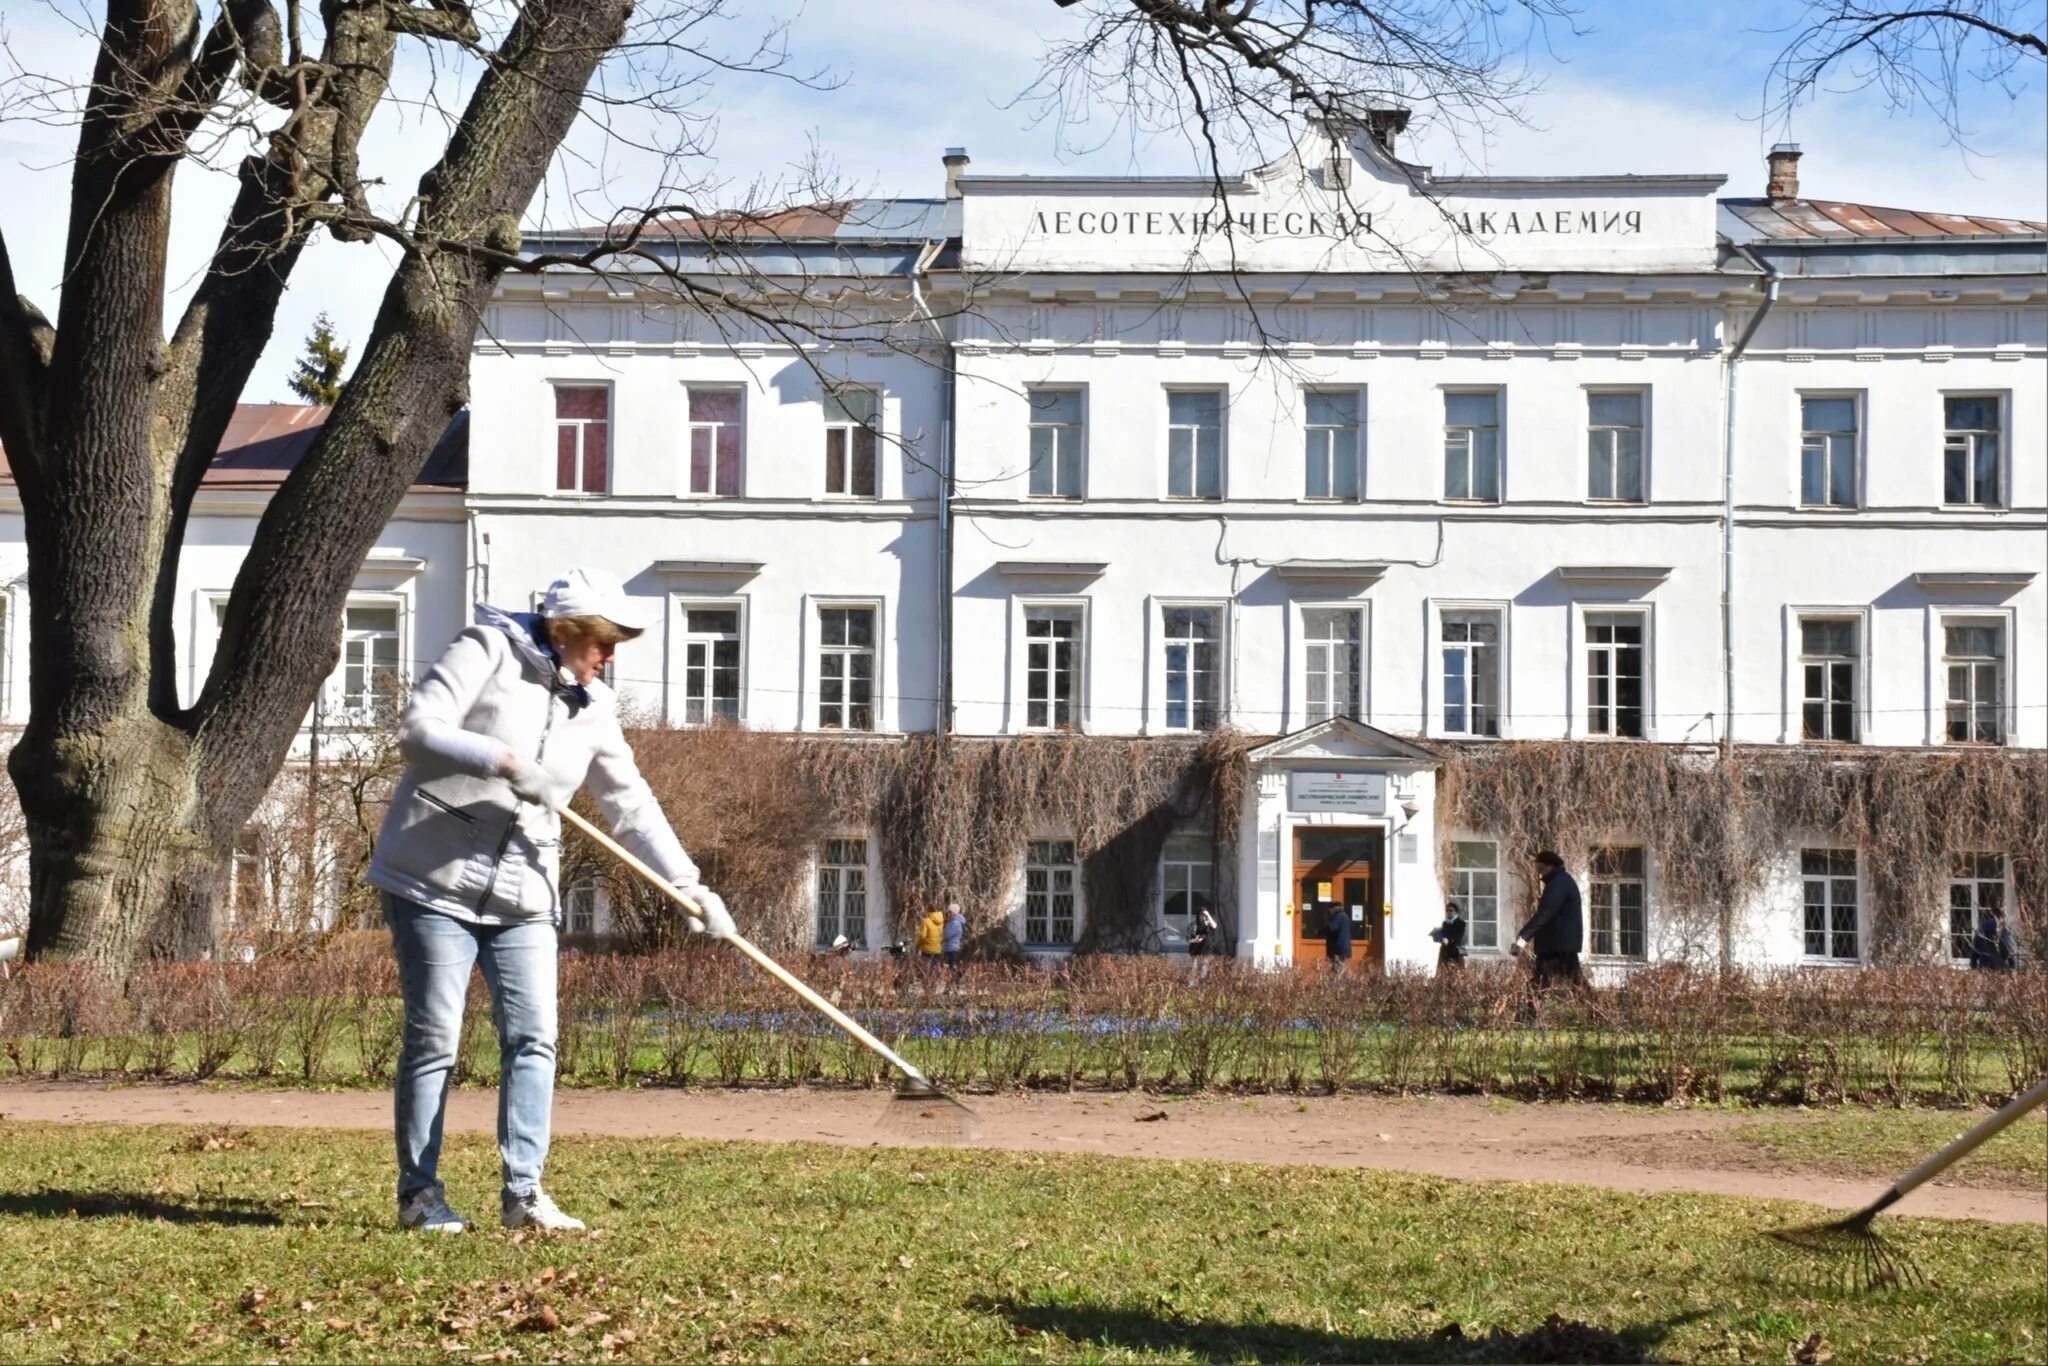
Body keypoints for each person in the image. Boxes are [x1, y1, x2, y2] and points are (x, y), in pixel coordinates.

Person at [368, 568, 734, 1236]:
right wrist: (503, 762)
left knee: (535, 1037)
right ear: (566, 631)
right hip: (431, 884)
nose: (611, 656)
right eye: (604, 642)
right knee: (434, 1040)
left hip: (523, 894)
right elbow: (418, 732)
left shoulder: (594, 708)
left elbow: (632, 807)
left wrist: (689, 885)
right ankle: (419, 1196)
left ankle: (525, 1195)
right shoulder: (486, 649)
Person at [1514, 850, 1583, 988]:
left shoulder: (1557, 884)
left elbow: (1546, 913)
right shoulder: (1563, 881)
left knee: (1540, 983)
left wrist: (1523, 937)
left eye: (1540, 869)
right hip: (1563, 943)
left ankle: (1532, 1009)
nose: (1539, 873)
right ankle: (1596, 1007)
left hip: (1555, 945)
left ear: (1550, 866)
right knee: (1576, 982)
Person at [1430, 899, 1468, 972]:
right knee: (1442, 971)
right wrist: (1438, 937)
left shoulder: (1460, 923)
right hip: (1444, 950)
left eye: (1451, 910)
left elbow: (1459, 936)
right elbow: (1443, 934)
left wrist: (1449, 940)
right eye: (1447, 911)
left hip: (1455, 951)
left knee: (1455, 973)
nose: (1448, 912)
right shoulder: (1445, 923)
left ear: (1456, 912)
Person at [1322, 901, 1354, 975]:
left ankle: (1338, 985)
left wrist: (1320, 931)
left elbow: (1331, 928)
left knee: (1338, 971)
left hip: (1338, 949)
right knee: (1338, 969)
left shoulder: (1338, 917)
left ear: (1332, 909)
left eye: (1329, 910)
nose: (1329, 912)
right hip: (1342, 948)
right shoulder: (1344, 916)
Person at [942, 902, 966, 974]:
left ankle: (957, 981)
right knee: (950, 966)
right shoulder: (951, 922)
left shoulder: (955, 923)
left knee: (952, 966)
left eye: (950, 912)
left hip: (952, 948)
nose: (948, 914)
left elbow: (947, 935)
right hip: (949, 947)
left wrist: (941, 936)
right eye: (948, 912)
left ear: (955, 913)